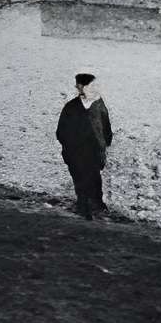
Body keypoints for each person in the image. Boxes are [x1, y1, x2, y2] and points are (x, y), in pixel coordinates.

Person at [56, 72, 115, 218]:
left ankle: (97, 204)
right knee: (79, 178)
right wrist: (69, 147)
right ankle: (83, 206)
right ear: (82, 87)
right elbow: (60, 131)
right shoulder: (71, 107)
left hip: (94, 152)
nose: (95, 88)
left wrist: (104, 144)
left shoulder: (99, 105)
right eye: (91, 85)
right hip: (75, 152)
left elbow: (106, 129)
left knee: (94, 177)